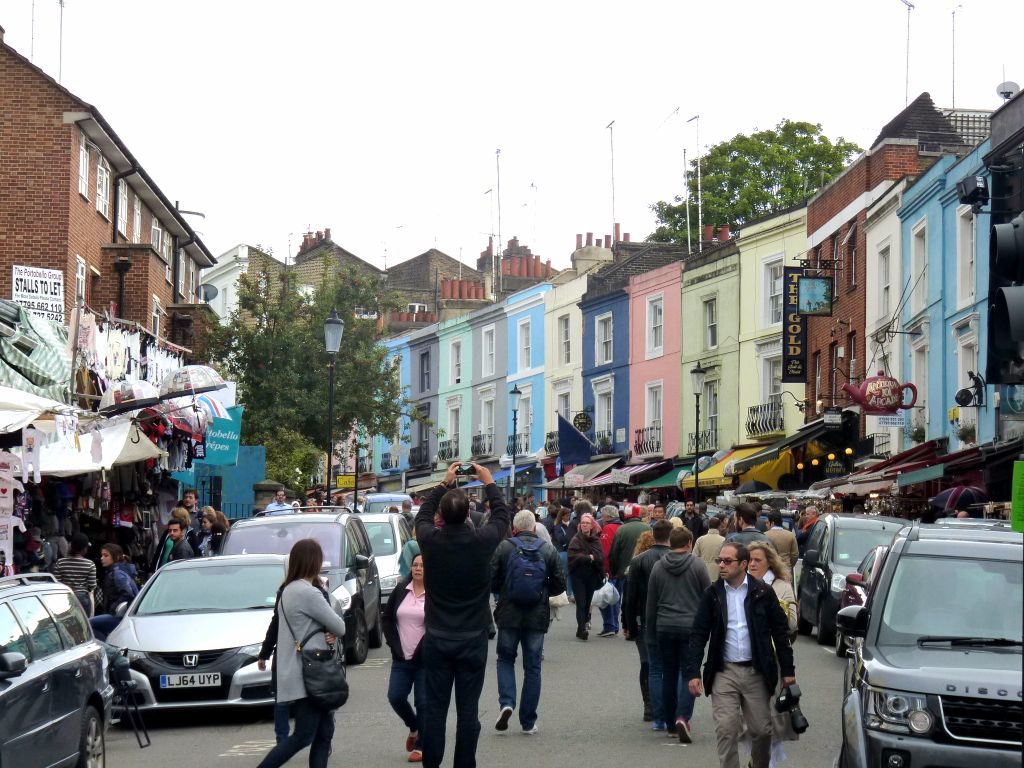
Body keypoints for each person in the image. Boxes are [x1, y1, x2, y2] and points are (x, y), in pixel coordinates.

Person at [414, 462, 510, 768]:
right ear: (468, 514)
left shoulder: (430, 540)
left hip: (438, 637)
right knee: (468, 712)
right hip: (472, 638)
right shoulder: (482, 542)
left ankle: (432, 762)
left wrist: (444, 483)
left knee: (435, 711)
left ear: (441, 516)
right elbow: (502, 516)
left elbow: (422, 516)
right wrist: (489, 481)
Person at [685, 543, 796, 768]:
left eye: (728, 561)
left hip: (756, 671)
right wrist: (694, 672)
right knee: (726, 730)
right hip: (724, 671)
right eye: (720, 561)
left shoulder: (763, 592)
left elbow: (780, 632)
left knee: (762, 731)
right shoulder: (713, 594)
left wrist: (788, 670)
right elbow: (698, 634)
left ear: (743, 564)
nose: (722, 566)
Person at [256, 538, 346, 768]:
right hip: (310, 674)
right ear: (313, 562)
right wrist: (331, 630)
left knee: (324, 731)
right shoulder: (309, 592)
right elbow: (340, 626)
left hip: (299, 670)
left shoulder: (287, 590)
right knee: (304, 736)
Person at [490, 510, 565, 735]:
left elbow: (492, 580)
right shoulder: (547, 549)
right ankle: (528, 721)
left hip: (509, 614)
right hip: (536, 614)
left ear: (515, 528)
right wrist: (542, 591)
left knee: (505, 659)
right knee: (532, 667)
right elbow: (560, 584)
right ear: (534, 527)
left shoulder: (504, 547)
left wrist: (505, 590)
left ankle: (507, 702)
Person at [646, 527, 711, 742]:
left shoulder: (658, 567)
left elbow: (651, 602)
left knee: (668, 673)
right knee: (689, 673)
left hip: (665, 626)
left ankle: (669, 722)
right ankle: (682, 717)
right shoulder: (698, 566)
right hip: (691, 628)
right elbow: (707, 598)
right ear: (689, 543)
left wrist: (651, 631)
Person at [622, 519, 673, 727]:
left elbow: (630, 596)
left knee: (649, 664)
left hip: (645, 618)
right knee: (670, 665)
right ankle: (670, 708)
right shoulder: (680, 559)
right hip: (672, 619)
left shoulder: (639, 561)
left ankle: (651, 707)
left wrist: (628, 623)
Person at [383, 553, 427, 762]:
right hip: (401, 657)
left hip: (425, 660)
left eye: (422, 565)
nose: (418, 568)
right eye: (415, 565)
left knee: (423, 702)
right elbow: (388, 619)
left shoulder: (434, 594)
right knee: (396, 697)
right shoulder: (401, 589)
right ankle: (414, 726)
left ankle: (421, 745)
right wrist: (393, 644)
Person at [746, 543, 798, 639]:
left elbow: (792, 624)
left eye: (758, 560)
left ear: (769, 562)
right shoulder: (739, 584)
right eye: (750, 560)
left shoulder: (783, 586)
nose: (752, 564)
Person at [89, 543, 139, 640]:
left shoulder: (118, 574)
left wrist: (114, 608)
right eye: (102, 555)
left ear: (115, 557)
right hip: (116, 615)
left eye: (106, 555)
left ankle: (108, 649)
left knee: (88, 624)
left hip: (119, 617)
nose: (102, 558)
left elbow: (128, 594)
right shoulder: (113, 572)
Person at [567, 512, 604, 641]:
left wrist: (590, 557)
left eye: (587, 523)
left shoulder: (595, 539)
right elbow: (572, 556)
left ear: (592, 525)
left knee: (588, 602)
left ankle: (581, 627)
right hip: (578, 575)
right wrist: (588, 557)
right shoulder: (576, 539)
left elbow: (600, 557)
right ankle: (582, 629)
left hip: (592, 575)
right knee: (581, 602)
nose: (585, 525)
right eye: (583, 523)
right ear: (580, 525)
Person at [608, 504, 651, 592]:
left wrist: (615, 571)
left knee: (624, 601)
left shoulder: (621, 529)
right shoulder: (648, 528)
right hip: (643, 572)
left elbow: (614, 553)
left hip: (624, 573)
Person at [53, 532, 97, 616]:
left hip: (64, 598)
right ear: (84, 549)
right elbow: (92, 586)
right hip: (82, 598)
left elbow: (57, 582)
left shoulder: (60, 562)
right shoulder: (90, 564)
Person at [596, 504, 623, 637]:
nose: (601, 517)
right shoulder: (622, 527)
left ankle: (609, 626)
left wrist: (603, 568)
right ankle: (615, 625)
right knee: (616, 598)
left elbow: (605, 551)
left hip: (609, 569)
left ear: (607, 516)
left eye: (602, 515)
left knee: (605, 597)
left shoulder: (608, 528)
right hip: (621, 569)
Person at [550, 507, 574, 601]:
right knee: (565, 573)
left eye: (569, 515)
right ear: (562, 516)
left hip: (570, 551)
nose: (569, 517)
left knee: (569, 573)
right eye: (567, 515)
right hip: (562, 551)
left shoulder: (571, 525)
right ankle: (565, 593)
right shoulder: (558, 526)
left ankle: (568, 592)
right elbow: (560, 539)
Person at [694, 517, 726, 582]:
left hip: (702, 573)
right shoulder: (723, 540)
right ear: (719, 526)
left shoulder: (700, 539)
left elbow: (694, 557)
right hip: (718, 573)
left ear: (708, 526)